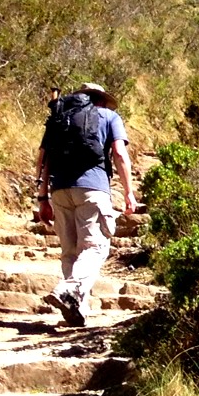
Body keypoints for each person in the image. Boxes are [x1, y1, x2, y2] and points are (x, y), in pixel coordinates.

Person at [36, 81, 137, 328]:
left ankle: (76, 309)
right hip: (93, 190)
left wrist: (42, 197)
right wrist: (129, 192)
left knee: (70, 252)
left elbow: (43, 159)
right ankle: (68, 288)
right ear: (101, 99)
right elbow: (119, 154)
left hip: (59, 190)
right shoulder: (109, 117)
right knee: (95, 247)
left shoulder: (59, 118)